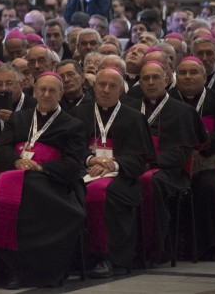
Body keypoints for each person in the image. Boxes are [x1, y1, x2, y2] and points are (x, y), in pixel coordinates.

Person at [0, 71, 86, 288]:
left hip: (54, 183)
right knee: (0, 191)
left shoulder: (73, 125)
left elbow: (73, 164)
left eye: (52, 90)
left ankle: (29, 269)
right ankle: (10, 266)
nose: (46, 94)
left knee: (28, 191)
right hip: (17, 176)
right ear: (35, 91)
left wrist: (41, 167)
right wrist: (17, 162)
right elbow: (1, 150)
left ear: (61, 94)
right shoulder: (19, 118)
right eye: (42, 89)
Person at [73, 69, 155, 277]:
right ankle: (71, 257)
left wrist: (113, 164)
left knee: (99, 195)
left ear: (122, 89)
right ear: (94, 87)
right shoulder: (79, 113)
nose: (106, 90)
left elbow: (139, 161)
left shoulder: (134, 117)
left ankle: (104, 257)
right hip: (84, 172)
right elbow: (70, 150)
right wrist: (90, 160)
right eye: (101, 85)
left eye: (112, 86)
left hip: (122, 180)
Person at [128, 61, 205, 264]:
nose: (151, 82)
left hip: (170, 171)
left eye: (156, 77)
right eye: (146, 78)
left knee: (149, 181)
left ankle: (152, 249)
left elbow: (182, 153)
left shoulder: (183, 112)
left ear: (167, 80)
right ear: (140, 83)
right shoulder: (129, 107)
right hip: (133, 165)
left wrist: (150, 163)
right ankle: (120, 248)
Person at [171, 56, 215, 260]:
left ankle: (206, 247)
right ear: (175, 76)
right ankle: (170, 247)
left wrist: (200, 147)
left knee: (209, 187)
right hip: (174, 162)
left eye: (193, 72)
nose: (187, 77)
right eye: (182, 73)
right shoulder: (169, 98)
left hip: (207, 162)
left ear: (204, 77)